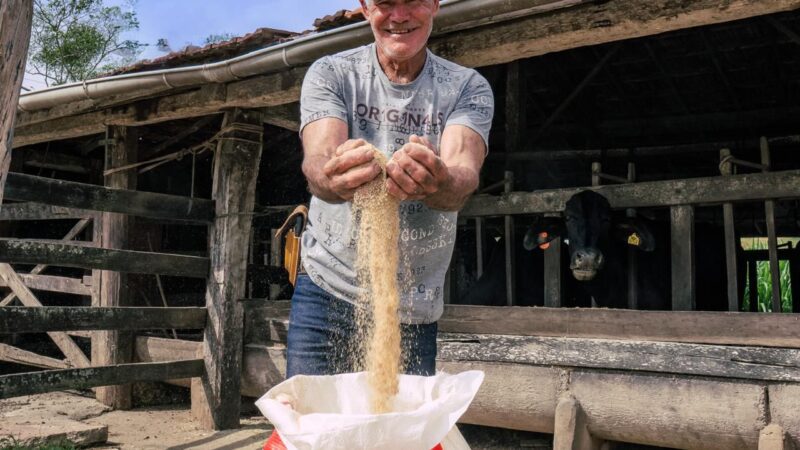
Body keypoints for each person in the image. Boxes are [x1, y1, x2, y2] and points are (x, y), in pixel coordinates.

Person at [287, 0, 494, 378]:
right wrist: (334, 177)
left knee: (401, 429)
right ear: (365, 8)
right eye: (385, 3)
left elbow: (463, 175)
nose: (399, 16)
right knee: (314, 429)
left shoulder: (467, 87)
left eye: (413, 0)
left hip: (414, 300)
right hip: (327, 288)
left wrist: (440, 180)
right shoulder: (332, 73)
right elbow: (317, 162)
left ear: (433, 4)